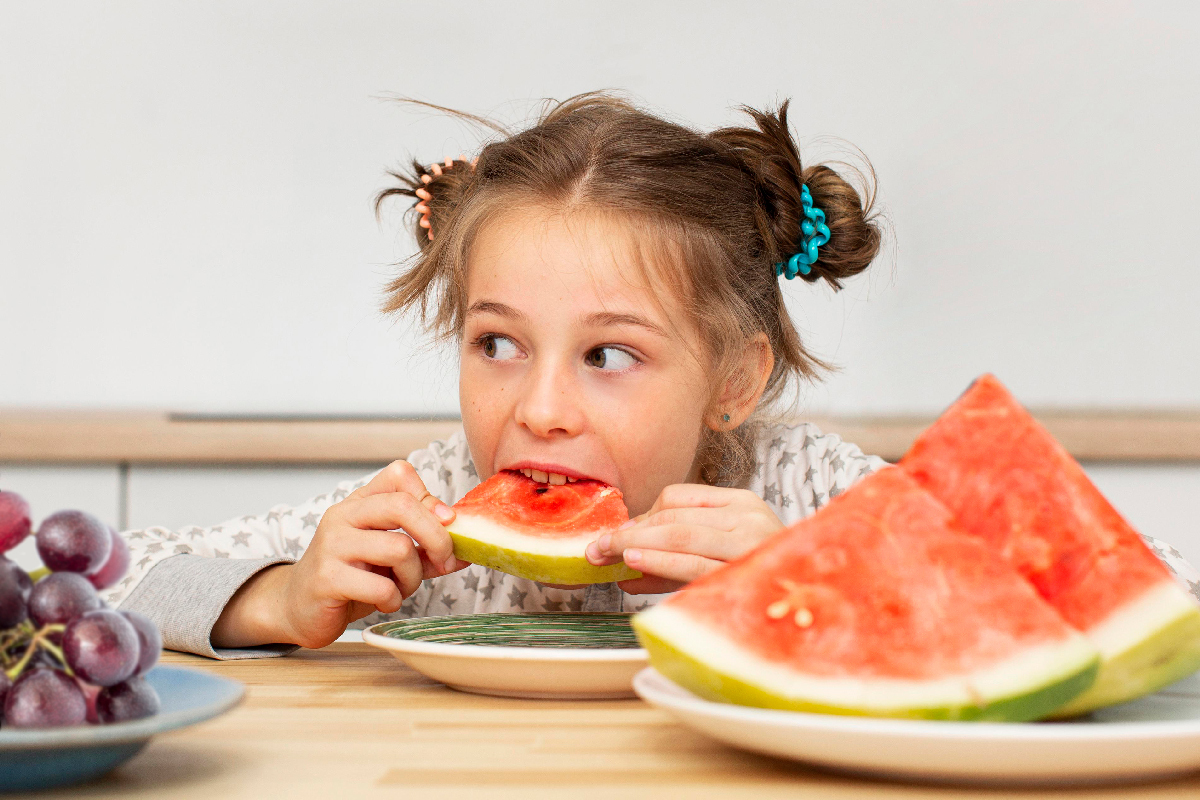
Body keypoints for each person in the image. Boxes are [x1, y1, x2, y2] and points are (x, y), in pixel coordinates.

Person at [105, 93, 1197, 659]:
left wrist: (831, 582)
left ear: (735, 379)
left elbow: (1155, 603)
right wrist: (282, 596)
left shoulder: (812, 493)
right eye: (497, 343)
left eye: (609, 354)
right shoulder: (431, 503)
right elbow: (88, 582)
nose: (536, 407)